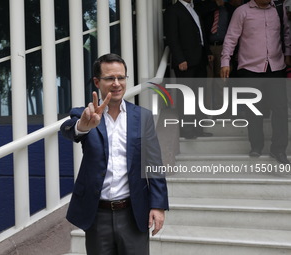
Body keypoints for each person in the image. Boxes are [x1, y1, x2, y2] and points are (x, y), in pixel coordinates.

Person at [60, 53, 169, 255]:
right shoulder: (85, 114)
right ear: (97, 82)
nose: (116, 83)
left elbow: (154, 162)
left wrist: (158, 205)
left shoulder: (142, 117)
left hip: (133, 212)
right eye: (110, 78)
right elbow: (68, 130)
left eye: (121, 77)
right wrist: (82, 126)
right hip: (97, 214)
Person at [220, 0, 291, 164]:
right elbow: (231, 38)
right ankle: (256, 146)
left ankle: (278, 149)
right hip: (249, 69)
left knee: (280, 109)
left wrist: (287, 53)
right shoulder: (242, 11)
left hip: (276, 66)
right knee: (254, 110)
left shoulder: (278, 10)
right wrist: (225, 62)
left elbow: (287, 33)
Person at [164, 0, 214, 139]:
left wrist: (208, 52)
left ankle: (199, 130)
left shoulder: (194, 8)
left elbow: (201, 33)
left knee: (199, 97)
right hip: (185, 62)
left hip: (200, 60)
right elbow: (172, 37)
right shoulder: (173, 10)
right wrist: (180, 59)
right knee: (187, 97)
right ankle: (187, 131)